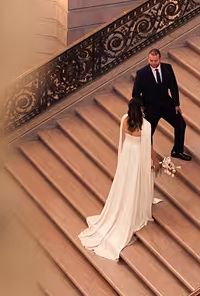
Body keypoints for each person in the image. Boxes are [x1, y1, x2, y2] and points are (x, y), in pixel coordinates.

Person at [78, 96, 156, 262]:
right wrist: (156, 162)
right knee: (134, 182)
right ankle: (133, 209)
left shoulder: (124, 120)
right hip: (136, 156)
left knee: (125, 182)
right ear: (141, 108)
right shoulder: (146, 125)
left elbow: (122, 140)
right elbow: (148, 148)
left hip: (127, 154)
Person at [132, 48, 193, 162]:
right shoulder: (141, 73)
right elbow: (135, 94)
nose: (153, 63)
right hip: (151, 109)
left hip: (167, 105)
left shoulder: (167, 68)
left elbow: (173, 86)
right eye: (151, 60)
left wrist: (176, 104)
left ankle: (177, 151)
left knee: (181, 124)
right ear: (148, 59)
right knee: (148, 133)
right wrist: (143, 106)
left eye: (155, 60)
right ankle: (146, 154)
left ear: (160, 58)